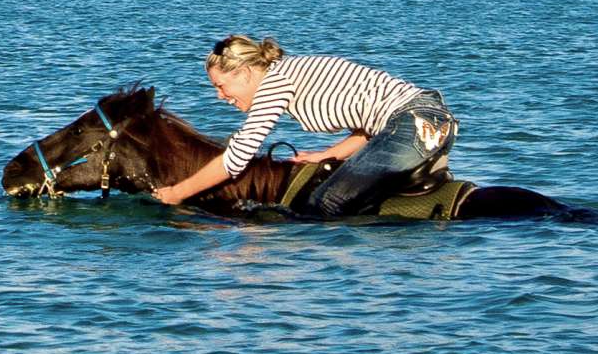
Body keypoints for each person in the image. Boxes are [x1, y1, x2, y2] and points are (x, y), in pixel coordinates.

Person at [152, 34, 458, 217]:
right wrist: (329, 154)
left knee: (328, 201)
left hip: (416, 121)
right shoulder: (288, 72)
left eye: (221, 85)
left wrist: (178, 193)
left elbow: (237, 157)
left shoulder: (274, 83)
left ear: (245, 73)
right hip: (419, 121)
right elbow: (369, 124)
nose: (220, 96)